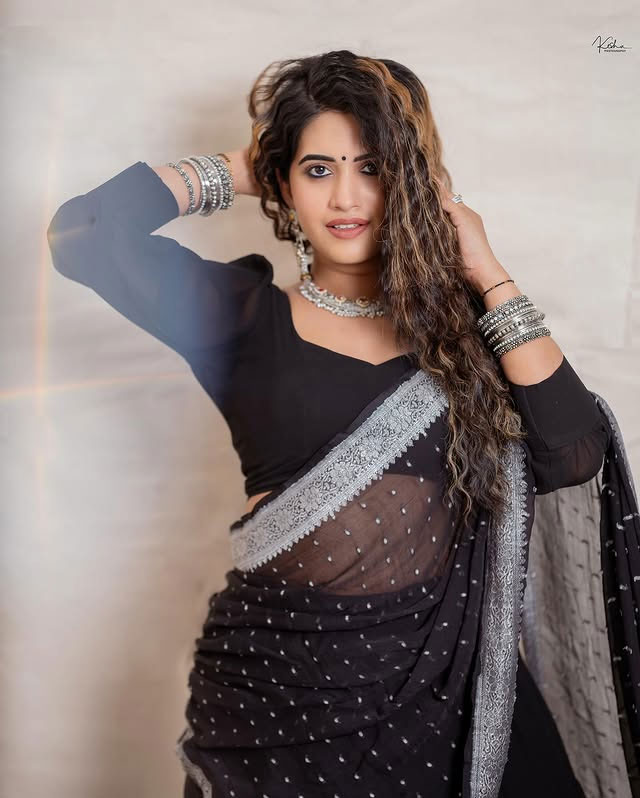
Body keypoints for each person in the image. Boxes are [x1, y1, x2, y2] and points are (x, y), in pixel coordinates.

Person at [46, 50, 639, 798]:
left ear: (412, 182)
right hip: (283, 700)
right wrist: (244, 166)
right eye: (318, 170)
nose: (347, 196)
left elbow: (575, 454)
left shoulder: (470, 340)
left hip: (453, 691)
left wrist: (486, 272)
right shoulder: (240, 318)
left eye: (374, 167)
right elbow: (85, 234)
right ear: (285, 185)